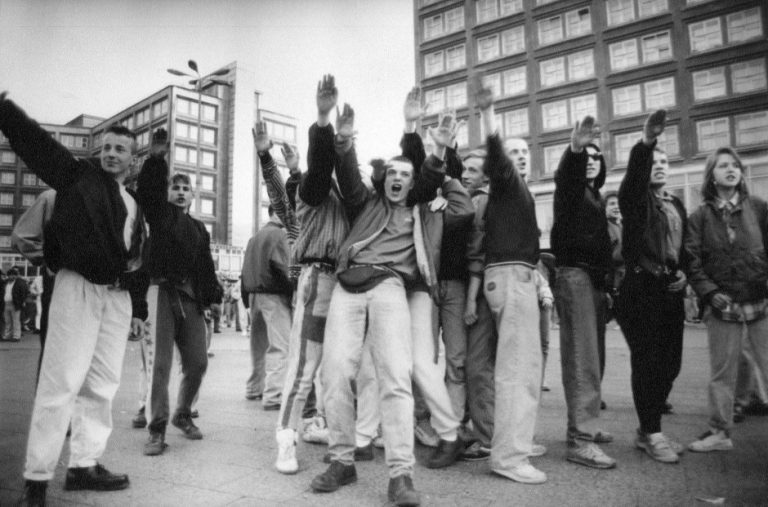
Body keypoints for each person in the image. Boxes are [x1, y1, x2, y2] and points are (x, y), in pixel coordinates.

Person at [312, 95, 472, 506]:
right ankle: (342, 459)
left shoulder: (421, 207)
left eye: (405, 174)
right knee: (334, 373)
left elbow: (438, 180)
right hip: (349, 286)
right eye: (392, 174)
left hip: (391, 288)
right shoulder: (365, 202)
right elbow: (348, 176)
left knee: (396, 378)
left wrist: (438, 148)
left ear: (413, 181)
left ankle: (401, 475)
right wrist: (343, 140)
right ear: (383, 180)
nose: (397, 179)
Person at [1, 92, 148, 506]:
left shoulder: (134, 204)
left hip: (115, 297)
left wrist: (137, 307)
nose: (112, 154)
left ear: (132, 160)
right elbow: (40, 147)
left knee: (102, 384)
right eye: (107, 148)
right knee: (61, 381)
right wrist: (6, 112)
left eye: (121, 149)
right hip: (78, 287)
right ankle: (37, 477)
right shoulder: (79, 177)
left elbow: (138, 261)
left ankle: (85, 464)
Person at [257, 75, 349, 474]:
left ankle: (320, 423)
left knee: (334, 368)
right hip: (314, 279)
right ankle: (286, 439)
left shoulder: (345, 199)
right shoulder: (309, 195)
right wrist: (323, 119)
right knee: (303, 366)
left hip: (342, 285)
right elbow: (290, 186)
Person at [464, 74, 546, 484]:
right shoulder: (507, 183)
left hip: (516, 276)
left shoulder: (518, 195)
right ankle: (510, 456)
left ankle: (512, 444)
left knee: (520, 367)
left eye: (524, 151)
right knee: (518, 369)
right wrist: (489, 114)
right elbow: (497, 156)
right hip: (511, 278)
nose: (519, 158)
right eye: (513, 153)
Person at [136, 128, 221, 456]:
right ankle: (156, 428)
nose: (182, 191)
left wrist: (211, 295)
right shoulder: (159, 215)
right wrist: (156, 159)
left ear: (192, 195)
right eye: (176, 186)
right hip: (162, 293)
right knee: (160, 365)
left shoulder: (199, 228)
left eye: (186, 188)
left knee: (198, 362)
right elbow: (148, 191)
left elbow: (206, 267)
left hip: (191, 300)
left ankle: (182, 414)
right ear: (168, 192)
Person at [684, 146, 768, 452]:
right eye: (723, 166)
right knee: (722, 373)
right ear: (711, 175)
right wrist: (709, 292)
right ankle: (720, 432)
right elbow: (691, 260)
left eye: (735, 165)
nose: (731, 169)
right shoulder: (699, 216)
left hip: (760, 301)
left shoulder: (758, 208)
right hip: (722, 305)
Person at [616, 109, 687, 464]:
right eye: (653, 161)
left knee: (671, 364)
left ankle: (648, 427)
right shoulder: (634, 200)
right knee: (647, 362)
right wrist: (646, 144)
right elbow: (632, 180)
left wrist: (685, 274)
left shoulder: (675, 203)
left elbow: (684, 249)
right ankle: (652, 432)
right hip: (640, 290)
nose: (659, 165)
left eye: (664, 160)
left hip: (669, 291)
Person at [550, 115, 616, 470]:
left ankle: (584, 425)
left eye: (595, 155)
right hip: (575, 277)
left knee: (592, 359)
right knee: (581, 360)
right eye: (584, 155)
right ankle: (580, 440)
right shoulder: (573, 191)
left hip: (592, 282)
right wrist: (573, 149)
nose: (591, 159)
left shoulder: (595, 195)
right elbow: (567, 178)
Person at [241, 205, 293, 412]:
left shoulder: (255, 237)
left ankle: (255, 387)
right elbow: (283, 268)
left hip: (254, 295)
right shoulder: (280, 235)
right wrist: (292, 292)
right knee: (280, 346)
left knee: (258, 346)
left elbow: (244, 272)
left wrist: (247, 300)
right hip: (274, 295)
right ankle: (273, 395)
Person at [1, 267, 29, 342]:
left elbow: (25, 292)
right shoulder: (5, 282)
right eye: (10, 275)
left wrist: (21, 302)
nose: (12, 276)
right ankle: (7, 336)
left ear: (16, 276)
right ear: (8, 275)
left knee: (16, 321)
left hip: (15, 304)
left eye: (14, 275)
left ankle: (16, 336)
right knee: (8, 321)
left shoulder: (20, 282)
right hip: (6, 304)